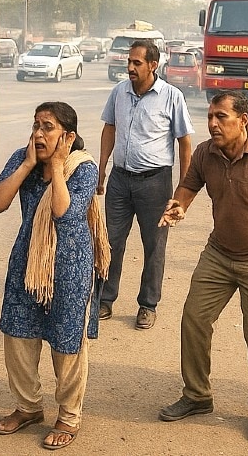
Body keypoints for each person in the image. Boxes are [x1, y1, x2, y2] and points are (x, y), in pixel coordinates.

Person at [155, 91, 248, 443]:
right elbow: (189, 185)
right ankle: (197, 396)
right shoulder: (207, 152)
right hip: (219, 253)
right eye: (210, 117)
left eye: (221, 117)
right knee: (194, 317)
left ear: (243, 120)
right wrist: (180, 205)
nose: (213, 124)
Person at [0, 101, 108, 450]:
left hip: (69, 266)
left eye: (48, 127)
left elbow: (64, 215)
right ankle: (28, 407)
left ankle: (68, 416)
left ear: (68, 136)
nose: (39, 133)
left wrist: (55, 163)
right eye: (36, 125)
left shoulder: (82, 168)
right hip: (28, 260)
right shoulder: (22, 159)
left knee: (67, 341)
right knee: (18, 334)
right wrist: (27, 163)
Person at [97, 39, 194, 330]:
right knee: (110, 241)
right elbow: (109, 128)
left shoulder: (171, 96)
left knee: (154, 246)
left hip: (155, 183)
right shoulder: (119, 93)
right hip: (119, 181)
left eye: (136, 63)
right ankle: (104, 299)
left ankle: (147, 305)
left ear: (153, 65)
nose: (130, 67)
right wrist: (102, 169)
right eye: (129, 62)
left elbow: (185, 143)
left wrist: (182, 192)